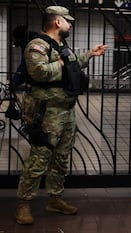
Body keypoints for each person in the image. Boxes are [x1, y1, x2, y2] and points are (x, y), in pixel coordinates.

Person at [15, 6, 108, 225]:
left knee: (61, 158)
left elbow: (72, 64)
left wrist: (90, 55)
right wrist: (62, 63)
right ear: (57, 22)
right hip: (47, 112)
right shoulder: (37, 45)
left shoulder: (61, 45)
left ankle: (55, 199)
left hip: (66, 111)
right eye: (68, 20)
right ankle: (23, 204)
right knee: (39, 158)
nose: (70, 24)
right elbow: (39, 72)